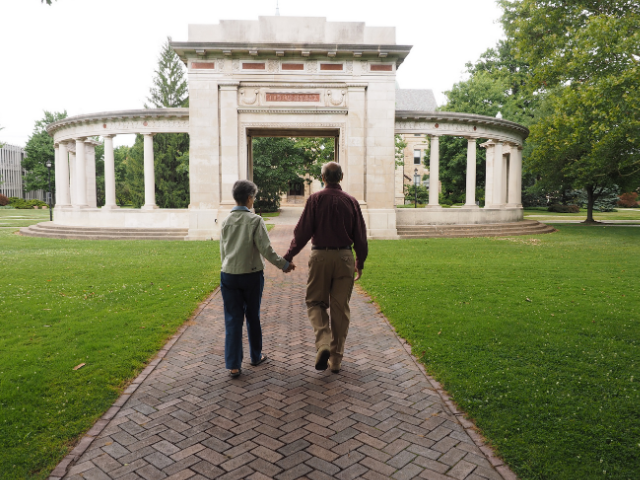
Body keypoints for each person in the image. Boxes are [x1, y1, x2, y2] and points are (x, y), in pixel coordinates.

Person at [283, 162, 368, 373]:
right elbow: (360, 235)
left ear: (322, 178)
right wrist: (360, 262)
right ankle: (336, 360)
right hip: (345, 257)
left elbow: (302, 232)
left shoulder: (315, 199)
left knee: (314, 302)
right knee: (340, 309)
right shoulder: (351, 202)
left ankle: (323, 342)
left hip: (320, 255)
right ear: (341, 177)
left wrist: (289, 255)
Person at [220, 180, 295, 377]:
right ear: (250, 198)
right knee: (253, 316)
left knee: (233, 319)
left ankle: (234, 365)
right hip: (251, 274)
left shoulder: (225, 221)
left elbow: (223, 250)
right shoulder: (255, 220)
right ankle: (255, 355)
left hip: (228, 274)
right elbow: (266, 250)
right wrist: (284, 264)